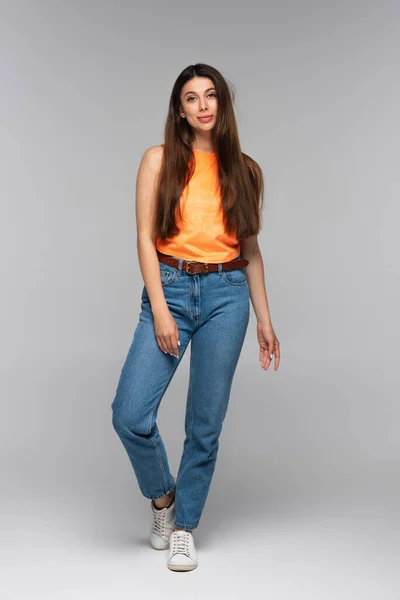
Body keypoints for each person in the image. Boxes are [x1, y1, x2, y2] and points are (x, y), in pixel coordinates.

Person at [111, 63, 281, 572]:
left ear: (222, 105)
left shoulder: (245, 170)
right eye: (192, 98)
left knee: (204, 424)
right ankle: (163, 499)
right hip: (172, 288)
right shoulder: (158, 160)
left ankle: (184, 526)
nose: (203, 105)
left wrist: (265, 320)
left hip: (228, 295)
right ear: (179, 109)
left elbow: (250, 249)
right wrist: (161, 308)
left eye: (211, 96)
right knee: (129, 414)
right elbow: (145, 238)